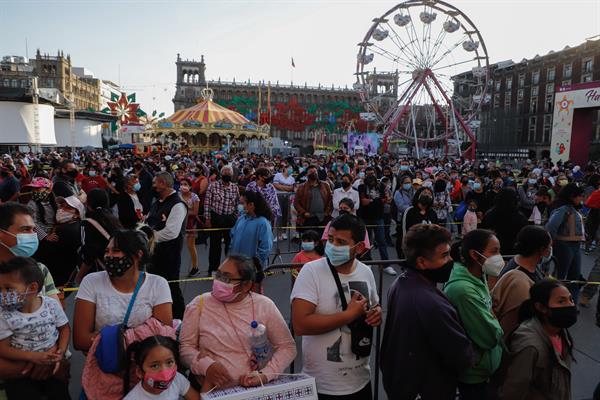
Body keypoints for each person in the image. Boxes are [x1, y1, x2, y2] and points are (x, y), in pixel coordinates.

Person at [291, 214, 382, 399]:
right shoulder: (311, 272)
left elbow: (373, 305)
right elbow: (300, 325)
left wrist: (376, 313)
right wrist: (348, 316)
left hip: (360, 380)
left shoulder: (366, 272)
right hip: (322, 385)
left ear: (359, 247)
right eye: (330, 239)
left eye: (341, 242)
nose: (332, 246)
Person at [381, 224, 473, 400]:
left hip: (404, 383)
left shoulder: (401, 283)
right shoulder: (430, 303)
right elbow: (461, 355)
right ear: (421, 262)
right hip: (428, 388)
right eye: (444, 255)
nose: (451, 261)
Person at [180, 255, 296, 392]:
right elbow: (185, 347)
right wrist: (206, 366)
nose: (219, 282)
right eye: (218, 275)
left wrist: (265, 375)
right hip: (210, 391)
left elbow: (287, 347)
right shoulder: (199, 304)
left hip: (255, 392)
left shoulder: (264, 305)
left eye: (227, 278)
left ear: (246, 285)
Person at [73, 229, 173, 353]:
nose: (108, 256)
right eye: (106, 251)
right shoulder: (91, 282)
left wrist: (109, 340)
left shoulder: (158, 284)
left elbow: (164, 337)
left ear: (138, 255)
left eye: (116, 251)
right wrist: (138, 337)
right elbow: (80, 340)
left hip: (146, 367)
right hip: (106, 366)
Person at [444, 229, 504, 400]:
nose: (499, 257)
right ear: (474, 255)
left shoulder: (479, 275)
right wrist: (496, 322)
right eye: (494, 251)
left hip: (484, 368)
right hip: (474, 374)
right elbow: (490, 337)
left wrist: (491, 317)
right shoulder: (463, 290)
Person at [0, 257, 70, 399]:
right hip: (20, 380)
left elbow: (64, 329)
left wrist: (60, 353)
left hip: (54, 371)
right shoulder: (4, 315)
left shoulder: (51, 305)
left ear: (32, 288)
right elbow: (3, 348)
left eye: (8, 289)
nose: (2, 294)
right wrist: (33, 357)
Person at [498, 279, 575, 400]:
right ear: (541, 307)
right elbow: (513, 391)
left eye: (571, 299)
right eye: (561, 301)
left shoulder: (560, 331)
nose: (570, 305)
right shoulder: (530, 347)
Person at [492, 225, 551, 338]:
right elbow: (509, 326)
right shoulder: (519, 282)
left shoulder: (528, 263)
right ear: (541, 249)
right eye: (549, 246)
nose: (550, 250)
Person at [146, 172, 187, 319]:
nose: (153, 187)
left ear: (163, 183)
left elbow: (171, 232)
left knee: (172, 289)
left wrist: (148, 239)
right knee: (154, 288)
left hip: (170, 256)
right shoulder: (157, 202)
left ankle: (180, 321)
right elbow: (149, 221)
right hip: (154, 256)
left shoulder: (178, 204)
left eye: (155, 183)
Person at [123, 335, 199, 400]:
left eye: (169, 362)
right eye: (154, 366)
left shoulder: (177, 379)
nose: (164, 371)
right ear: (140, 372)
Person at [546, 183, 586, 303]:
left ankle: (570, 303)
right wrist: (551, 242)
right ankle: (554, 301)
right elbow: (551, 227)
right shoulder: (563, 209)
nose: (582, 198)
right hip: (564, 246)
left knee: (573, 277)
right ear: (572, 196)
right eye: (580, 196)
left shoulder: (571, 208)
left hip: (575, 246)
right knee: (560, 277)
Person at [36, 195, 84, 287]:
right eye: (61, 206)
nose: (62, 209)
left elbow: (44, 252)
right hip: (62, 276)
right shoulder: (74, 226)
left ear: (77, 214)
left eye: (68, 208)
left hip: (54, 279)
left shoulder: (65, 230)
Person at [77, 189, 123, 283]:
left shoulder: (87, 223)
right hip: (118, 268)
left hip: (99, 272)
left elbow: (88, 253)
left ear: (88, 204)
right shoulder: (113, 219)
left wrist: (79, 276)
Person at [204, 166, 240, 276]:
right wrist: (207, 219)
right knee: (215, 246)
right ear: (221, 173)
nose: (227, 175)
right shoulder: (213, 186)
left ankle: (228, 269)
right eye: (225, 173)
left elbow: (237, 204)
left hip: (230, 219)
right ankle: (214, 269)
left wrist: (236, 218)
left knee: (230, 246)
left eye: (229, 173)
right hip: (216, 218)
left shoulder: (235, 188)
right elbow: (207, 203)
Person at [358, 172, 395, 275]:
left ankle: (386, 264)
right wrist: (377, 200)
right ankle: (368, 262)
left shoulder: (381, 186)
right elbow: (363, 201)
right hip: (365, 217)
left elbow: (386, 199)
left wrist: (371, 200)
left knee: (382, 240)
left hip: (379, 217)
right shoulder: (362, 187)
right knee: (367, 241)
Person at [229, 191, 273, 269]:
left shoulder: (263, 223)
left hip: (252, 269)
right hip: (237, 265)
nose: (240, 206)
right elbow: (233, 236)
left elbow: (265, 248)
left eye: (242, 203)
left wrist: (255, 265)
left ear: (251, 205)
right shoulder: (241, 219)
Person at [480, 187, 528, 255]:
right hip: (514, 253)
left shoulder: (489, 215)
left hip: (494, 251)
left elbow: (483, 233)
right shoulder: (520, 217)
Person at [396, 187, 438, 259]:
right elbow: (404, 232)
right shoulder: (410, 211)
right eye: (424, 193)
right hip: (414, 251)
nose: (427, 196)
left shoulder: (433, 213)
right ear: (418, 195)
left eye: (429, 194)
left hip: (429, 251)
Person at [294, 165, 333, 238]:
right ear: (306, 174)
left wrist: (327, 212)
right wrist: (304, 212)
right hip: (308, 218)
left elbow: (330, 200)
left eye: (315, 171)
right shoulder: (301, 187)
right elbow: (296, 203)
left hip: (322, 217)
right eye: (311, 172)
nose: (314, 173)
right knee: (309, 239)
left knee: (321, 240)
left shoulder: (325, 185)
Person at [179, 178, 201, 277]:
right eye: (181, 184)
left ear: (190, 186)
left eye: (185, 184)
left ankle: (195, 267)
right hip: (179, 224)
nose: (183, 186)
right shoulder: (177, 196)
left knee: (190, 246)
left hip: (191, 224)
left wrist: (183, 212)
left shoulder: (194, 197)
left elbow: (195, 212)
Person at [24, 177, 57, 242]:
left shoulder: (55, 202)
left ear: (48, 190)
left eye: (37, 188)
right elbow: (32, 223)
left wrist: (55, 229)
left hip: (54, 232)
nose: (34, 191)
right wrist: (45, 236)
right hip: (39, 239)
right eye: (33, 189)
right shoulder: (31, 204)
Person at [273, 164, 295, 240]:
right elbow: (276, 185)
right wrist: (286, 187)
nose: (290, 170)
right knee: (279, 215)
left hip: (288, 198)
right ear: (284, 168)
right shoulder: (278, 175)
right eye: (289, 168)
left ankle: (284, 232)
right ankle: (278, 234)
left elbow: (291, 188)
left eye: (291, 168)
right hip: (278, 197)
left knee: (286, 215)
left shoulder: (292, 178)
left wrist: (282, 185)